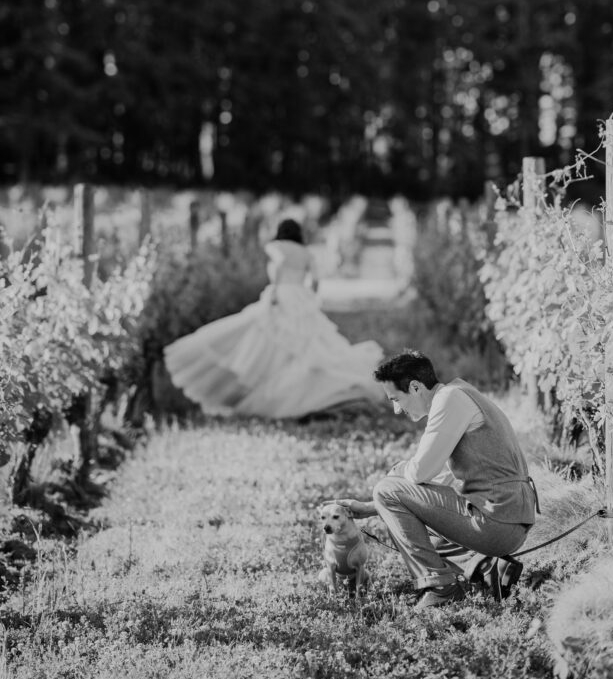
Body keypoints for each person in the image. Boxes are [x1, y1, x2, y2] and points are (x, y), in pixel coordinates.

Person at [332, 349, 539, 611]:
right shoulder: (459, 394)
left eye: (396, 399)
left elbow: (419, 473)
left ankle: (441, 588)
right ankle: (485, 569)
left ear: (416, 387)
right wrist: (372, 507)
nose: (397, 409)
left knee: (386, 489)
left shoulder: (449, 400)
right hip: (509, 516)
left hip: (497, 518)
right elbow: (435, 483)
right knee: (411, 527)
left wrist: (395, 474)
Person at [164, 217, 385, 419]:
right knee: (308, 344)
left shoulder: (277, 247)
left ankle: (276, 391)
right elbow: (316, 281)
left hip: (280, 295)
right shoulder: (306, 253)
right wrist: (308, 294)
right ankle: (305, 392)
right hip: (300, 297)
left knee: (270, 345)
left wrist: (275, 292)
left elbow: (279, 266)